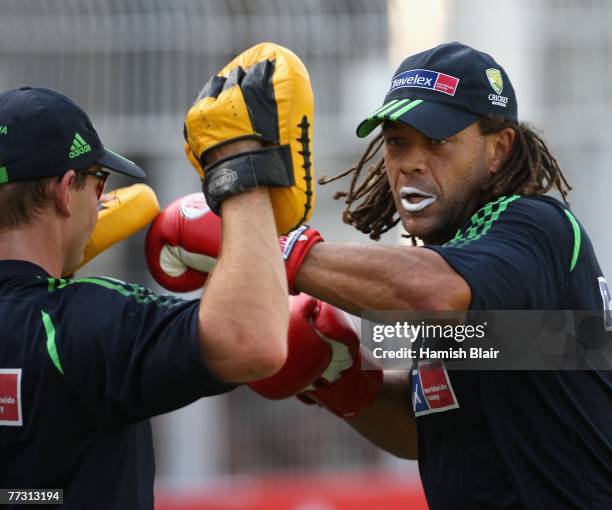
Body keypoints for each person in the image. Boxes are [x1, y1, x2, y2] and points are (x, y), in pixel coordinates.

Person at [150, 43, 612, 509]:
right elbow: (427, 433)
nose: (410, 162)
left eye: (438, 141)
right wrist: (343, 380)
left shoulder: (536, 225)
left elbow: (433, 292)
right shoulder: (468, 276)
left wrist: (267, 246)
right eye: (397, 142)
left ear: (499, 149)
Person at [0, 86, 290, 509]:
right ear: (65, 191)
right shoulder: (80, 321)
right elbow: (251, 341)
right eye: (98, 183)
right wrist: (240, 167)